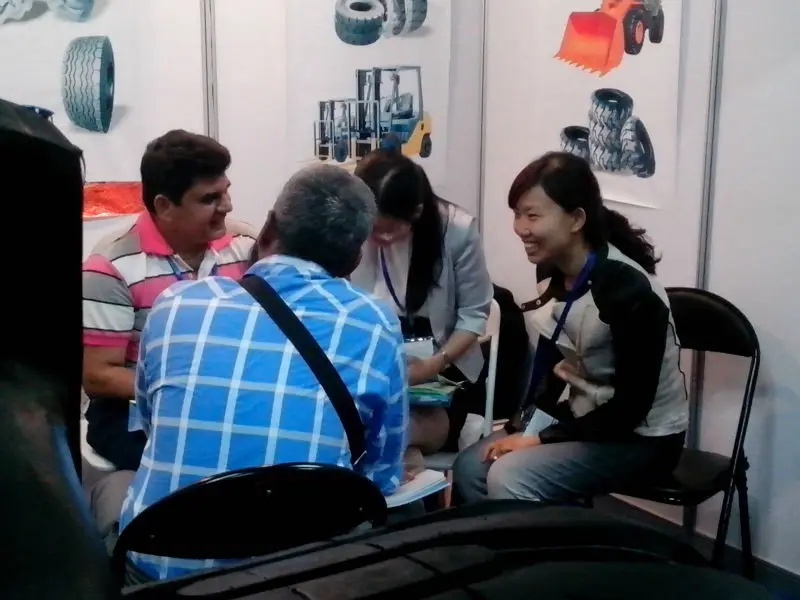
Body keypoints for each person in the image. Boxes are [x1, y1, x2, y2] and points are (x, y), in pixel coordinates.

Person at [118, 164, 407, 582]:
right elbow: (381, 473)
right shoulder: (375, 322)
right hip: (301, 579)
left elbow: (152, 423)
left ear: (268, 229)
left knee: (110, 492)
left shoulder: (176, 303)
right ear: (354, 257)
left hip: (162, 566)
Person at [453, 152, 688, 505]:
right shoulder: (551, 268)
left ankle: (540, 542)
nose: (520, 228)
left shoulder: (627, 289)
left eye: (532, 215)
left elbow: (630, 408)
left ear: (576, 219)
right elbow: (552, 364)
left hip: (643, 438)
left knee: (509, 474)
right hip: (587, 418)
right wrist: (522, 426)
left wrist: (540, 439)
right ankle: (491, 540)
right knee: (472, 466)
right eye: (517, 214)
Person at [82, 130, 256, 472]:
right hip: (136, 409)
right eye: (210, 198)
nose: (227, 206)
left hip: (228, 400)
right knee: (204, 463)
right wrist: (190, 392)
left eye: (226, 191)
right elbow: (98, 375)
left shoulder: (244, 248)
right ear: (164, 206)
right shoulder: (111, 268)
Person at [350, 150, 493, 462]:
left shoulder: (456, 231)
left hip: (445, 375)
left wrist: (432, 365)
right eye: (373, 228)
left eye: (389, 229)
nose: (379, 237)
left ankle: (403, 456)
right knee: (364, 422)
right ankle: (406, 463)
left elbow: (474, 316)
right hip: (378, 371)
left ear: (416, 212)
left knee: (377, 431)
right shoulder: (356, 228)